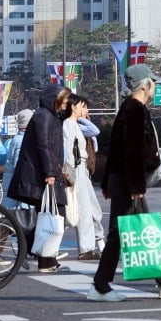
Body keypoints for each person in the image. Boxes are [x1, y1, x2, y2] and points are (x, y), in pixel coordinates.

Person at [86, 64, 161, 303]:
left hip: (121, 179)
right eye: (153, 83)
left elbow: (115, 149)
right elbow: (131, 151)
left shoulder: (128, 109)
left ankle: (107, 284)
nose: (155, 87)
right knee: (140, 232)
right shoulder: (135, 110)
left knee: (123, 232)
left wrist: (108, 182)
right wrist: (136, 186)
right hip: (128, 181)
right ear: (145, 85)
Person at [8, 86, 71, 272]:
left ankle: (43, 259)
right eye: (64, 99)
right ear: (55, 99)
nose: (67, 103)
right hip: (38, 176)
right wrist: (50, 173)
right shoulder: (43, 116)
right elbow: (43, 146)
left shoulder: (52, 116)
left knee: (50, 217)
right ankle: (29, 248)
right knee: (54, 216)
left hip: (43, 175)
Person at [62, 94, 101, 260]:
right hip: (76, 169)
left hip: (80, 168)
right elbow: (68, 151)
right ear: (73, 107)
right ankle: (86, 249)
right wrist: (69, 175)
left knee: (81, 210)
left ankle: (87, 248)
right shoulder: (69, 125)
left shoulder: (73, 124)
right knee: (78, 210)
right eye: (82, 106)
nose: (84, 110)